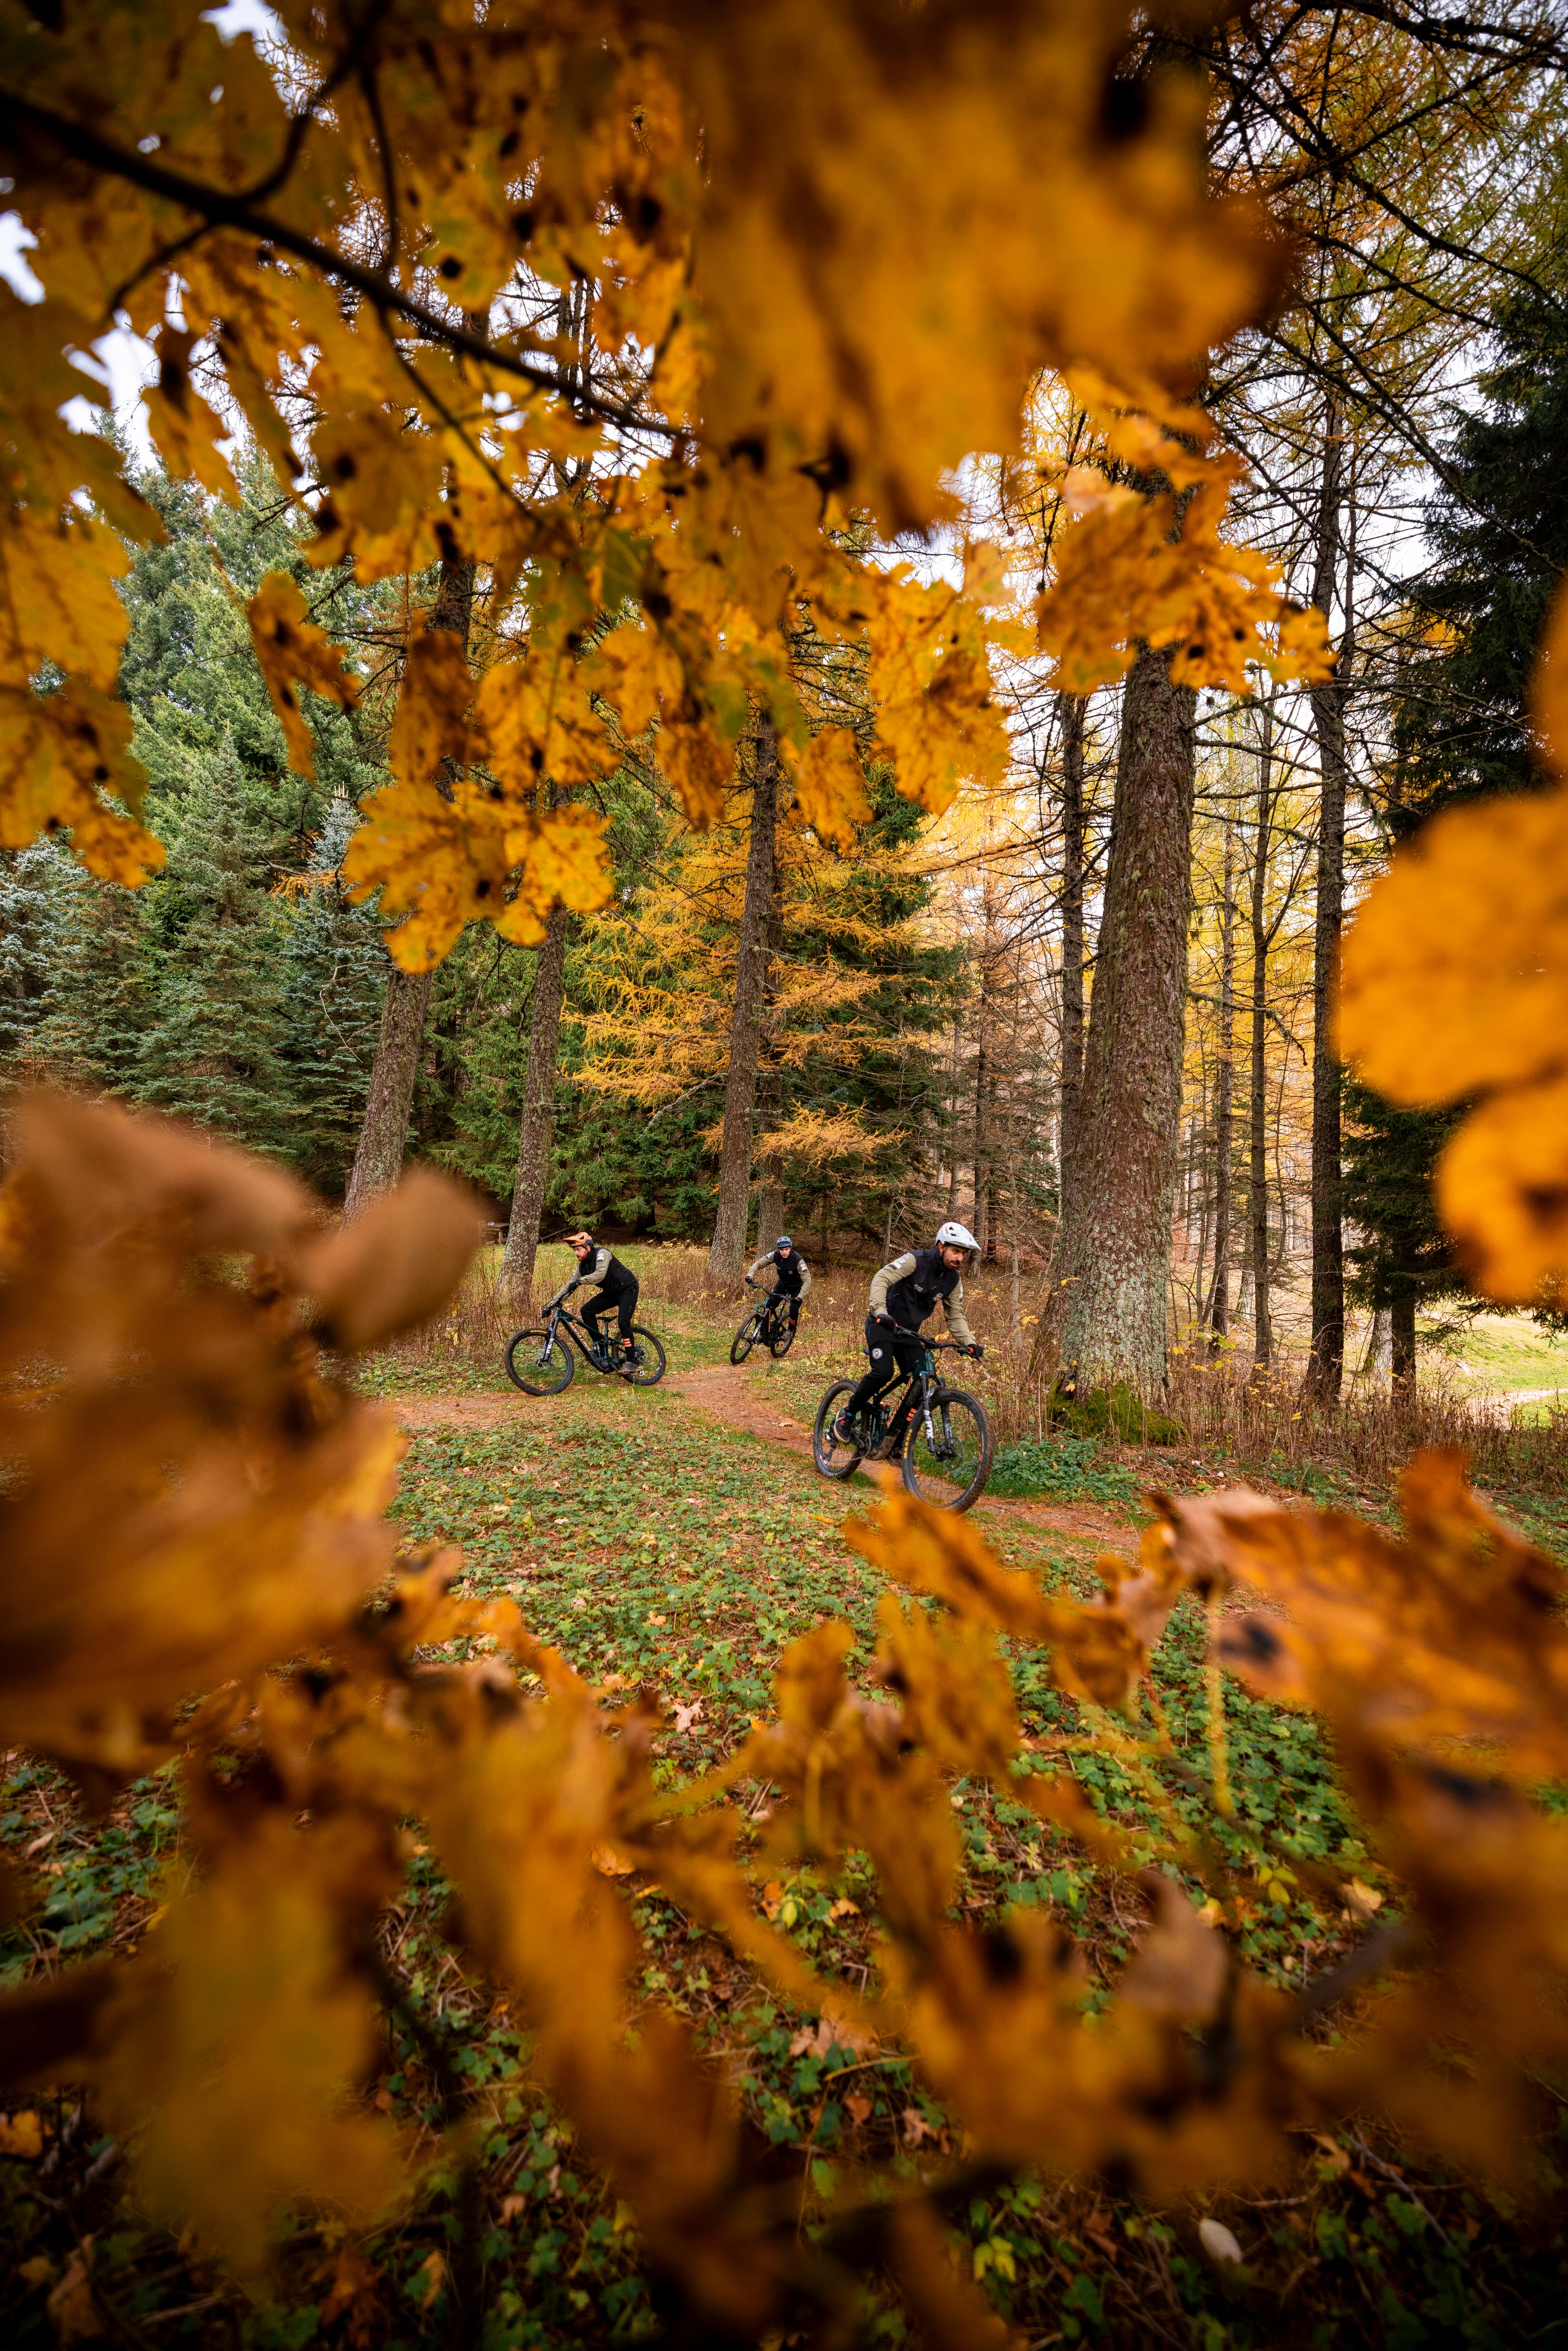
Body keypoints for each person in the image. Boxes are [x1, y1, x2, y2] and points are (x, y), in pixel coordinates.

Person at [834, 1221, 984, 1441]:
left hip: (909, 1334)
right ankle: (847, 1414)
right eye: (956, 1251)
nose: (960, 1258)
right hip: (883, 1324)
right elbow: (882, 1278)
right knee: (883, 1373)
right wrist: (881, 1311)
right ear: (941, 1247)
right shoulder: (915, 1260)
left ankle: (896, 1440)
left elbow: (956, 1315)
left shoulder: (954, 1281)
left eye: (963, 1254)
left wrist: (969, 1342)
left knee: (919, 1382)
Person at [546, 1232, 640, 1373]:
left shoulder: (602, 1254)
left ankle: (632, 1361)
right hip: (611, 1293)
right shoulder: (583, 1267)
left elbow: (599, 1275)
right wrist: (551, 1304)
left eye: (579, 1249)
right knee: (586, 1311)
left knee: (623, 1322)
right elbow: (569, 1285)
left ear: (588, 1248)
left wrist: (580, 1282)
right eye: (574, 1250)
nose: (576, 1253)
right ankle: (599, 1346)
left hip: (627, 1289)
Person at [744, 1232, 812, 1337]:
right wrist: (750, 1276)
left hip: (797, 1288)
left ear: (790, 1249)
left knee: (794, 1310)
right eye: (782, 1250)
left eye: (786, 1250)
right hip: (783, 1285)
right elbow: (759, 1263)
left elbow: (807, 1280)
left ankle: (790, 1331)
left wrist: (800, 1297)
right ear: (779, 1250)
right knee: (768, 1306)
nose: (784, 1252)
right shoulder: (775, 1255)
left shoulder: (798, 1260)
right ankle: (763, 1334)